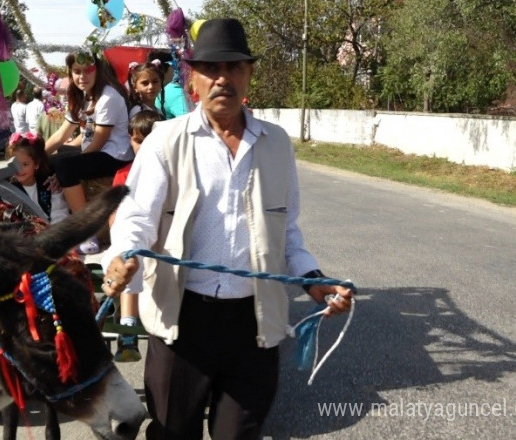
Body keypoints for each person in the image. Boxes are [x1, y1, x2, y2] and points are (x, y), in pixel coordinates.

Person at [100, 19, 355, 439]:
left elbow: (286, 233)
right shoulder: (166, 139)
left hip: (254, 325)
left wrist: (315, 283)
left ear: (249, 74)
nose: (223, 78)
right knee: (172, 432)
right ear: (192, 79)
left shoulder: (275, 143)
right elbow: (136, 218)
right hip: (182, 320)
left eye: (235, 67)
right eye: (211, 69)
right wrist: (124, 256)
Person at [45, 51, 133, 253]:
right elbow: (61, 135)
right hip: (96, 151)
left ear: (98, 71)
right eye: (76, 72)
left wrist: (65, 167)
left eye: (87, 71)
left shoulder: (108, 96)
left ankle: (86, 231)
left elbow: (99, 141)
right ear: (70, 73)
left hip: (115, 156)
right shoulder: (83, 96)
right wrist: (37, 156)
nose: (82, 77)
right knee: (50, 162)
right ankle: (53, 217)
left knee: (65, 166)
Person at [110, 109, 161, 363]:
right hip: (129, 238)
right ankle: (128, 329)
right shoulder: (124, 174)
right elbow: (114, 216)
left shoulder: (169, 172)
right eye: (138, 140)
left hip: (160, 239)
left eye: (149, 140)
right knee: (130, 256)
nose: (143, 147)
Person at [8, 131, 69, 224]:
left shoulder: (48, 183)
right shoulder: (8, 188)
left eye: (25, 164)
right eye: (15, 164)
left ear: (36, 164)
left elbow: (59, 211)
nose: (19, 170)